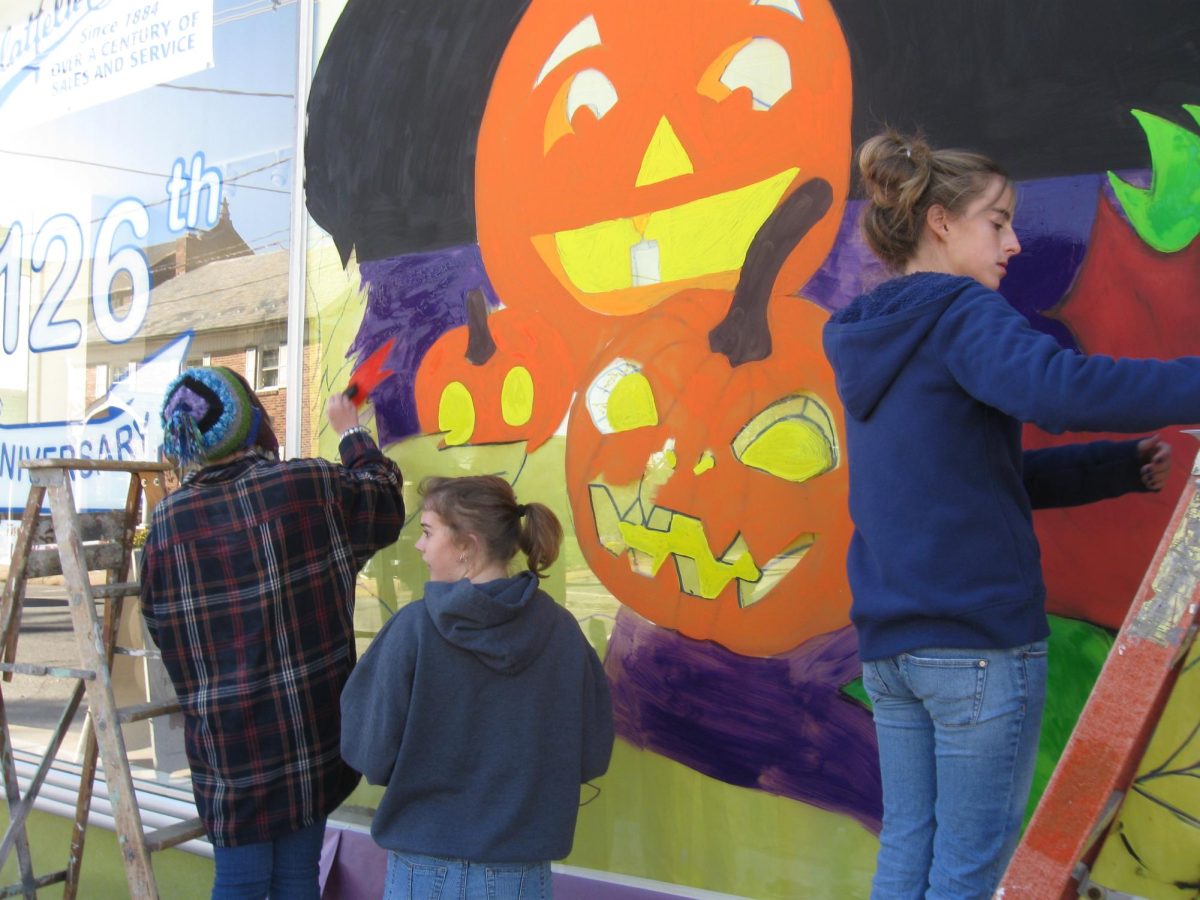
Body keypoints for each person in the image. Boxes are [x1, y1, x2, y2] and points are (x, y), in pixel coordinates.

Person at [821, 130, 1198, 899]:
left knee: (911, 857)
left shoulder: (877, 336)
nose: (1014, 242)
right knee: (967, 873)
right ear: (940, 223)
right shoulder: (959, 312)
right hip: (976, 649)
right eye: (997, 221)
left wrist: (1115, 467)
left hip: (897, 649)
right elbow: (1058, 390)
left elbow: (973, 481)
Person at [140, 366, 404, 899]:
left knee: (241, 880)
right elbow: (385, 499)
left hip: (228, 744)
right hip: (308, 732)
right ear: (253, 423)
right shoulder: (305, 486)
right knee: (294, 880)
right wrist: (351, 431)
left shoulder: (168, 522)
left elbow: (163, 630)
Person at [340, 474, 614, 900]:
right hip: (520, 876)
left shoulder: (414, 629)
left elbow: (367, 751)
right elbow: (592, 754)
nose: (419, 545)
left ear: (466, 545)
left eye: (428, 532)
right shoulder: (562, 632)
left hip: (422, 872)